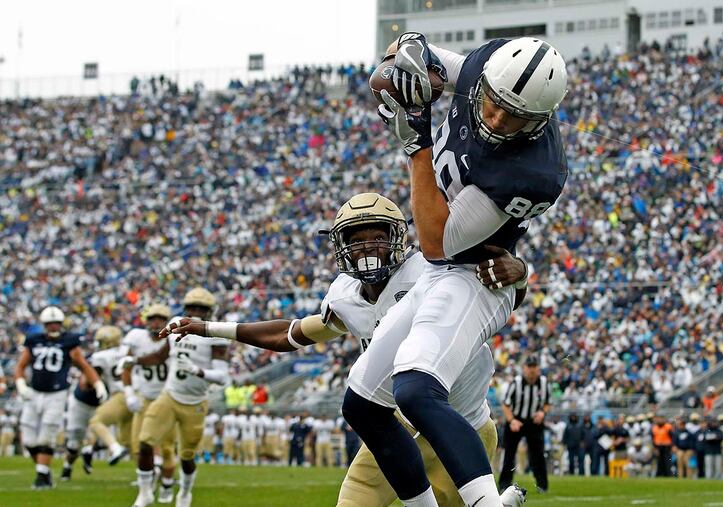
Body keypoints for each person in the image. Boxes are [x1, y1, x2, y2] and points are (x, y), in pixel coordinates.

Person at [163, 192, 527, 507]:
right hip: (392, 424)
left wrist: (520, 272)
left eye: (376, 237)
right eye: (357, 239)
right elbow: (292, 334)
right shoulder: (345, 297)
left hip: (457, 422)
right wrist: (210, 328)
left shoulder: (431, 271)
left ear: (397, 238)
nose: (367, 247)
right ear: (342, 247)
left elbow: (498, 291)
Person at [349, 31, 567, 507]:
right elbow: (397, 70)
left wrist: (415, 142)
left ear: (542, 119)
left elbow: (435, 241)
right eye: (493, 103)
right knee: (362, 404)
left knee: (415, 389)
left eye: (516, 116)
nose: (496, 118)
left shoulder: (532, 171)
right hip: (443, 272)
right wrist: (403, 62)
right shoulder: (483, 71)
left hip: (477, 277)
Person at [131, 288, 230, 507]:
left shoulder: (217, 333)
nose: (195, 312)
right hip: (170, 395)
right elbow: (160, 354)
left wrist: (197, 371)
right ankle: (145, 492)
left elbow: (222, 377)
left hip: (194, 402)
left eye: (201, 309)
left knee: (186, 456)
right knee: (145, 442)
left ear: (209, 311)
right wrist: (134, 361)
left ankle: (185, 492)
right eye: (192, 307)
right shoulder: (176, 323)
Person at [14, 306, 107, 489]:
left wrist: (97, 383)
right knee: (29, 440)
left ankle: (41, 475)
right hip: (34, 392)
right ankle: (44, 471)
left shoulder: (69, 342)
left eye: (56, 324)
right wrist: (20, 384)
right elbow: (21, 366)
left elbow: (83, 365)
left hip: (57, 393)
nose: (53, 327)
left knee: (46, 435)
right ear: (44, 325)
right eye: (50, 324)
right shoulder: (34, 340)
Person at [121, 303, 177, 502]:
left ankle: (167, 484)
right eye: (152, 319)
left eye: (160, 319)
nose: (156, 323)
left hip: (167, 397)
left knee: (168, 447)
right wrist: (129, 393)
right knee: (139, 445)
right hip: (144, 396)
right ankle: (148, 484)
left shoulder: (173, 338)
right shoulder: (137, 339)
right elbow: (125, 367)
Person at [61, 326, 124, 481]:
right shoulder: (111, 356)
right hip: (83, 402)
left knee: (99, 429)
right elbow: (84, 384)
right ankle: (68, 466)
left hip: (103, 401)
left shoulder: (102, 356)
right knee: (75, 441)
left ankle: (90, 449)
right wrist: (98, 381)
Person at [499, 356, 551, 492]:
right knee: (509, 454)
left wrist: (542, 413)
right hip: (516, 420)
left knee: (538, 454)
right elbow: (505, 404)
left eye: (534, 367)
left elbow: (547, 402)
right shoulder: (516, 383)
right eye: (529, 367)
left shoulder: (544, 383)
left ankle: (542, 485)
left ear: (538, 369)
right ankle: (504, 484)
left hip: (534, 421)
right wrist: (511, 420)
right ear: (524, 369)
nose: (532, 370)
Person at [87, 325, 133, 465]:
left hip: (121, 395)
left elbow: (92, 378)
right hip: (135, 395)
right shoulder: (128, 350)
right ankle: (152, 475)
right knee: (130, 441)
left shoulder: (100, 356)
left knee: (96, 421)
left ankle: (115, 448)